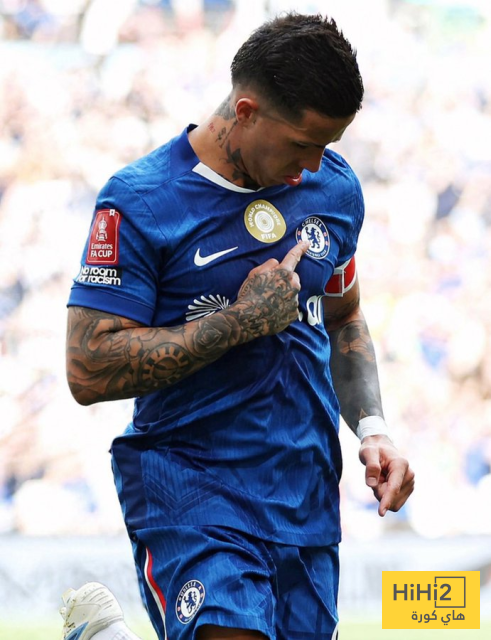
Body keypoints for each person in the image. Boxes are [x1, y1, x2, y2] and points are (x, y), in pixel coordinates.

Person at [62, 12, 415, 640]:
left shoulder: (334, 191)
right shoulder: (141, 200)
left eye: (328, 145)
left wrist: (373, 429)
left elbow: (344, 318)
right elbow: (87, 367)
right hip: (190, 484)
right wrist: (241, 321)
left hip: (304, 495)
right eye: (302, 144)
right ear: (246, 112)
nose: (312, 166)